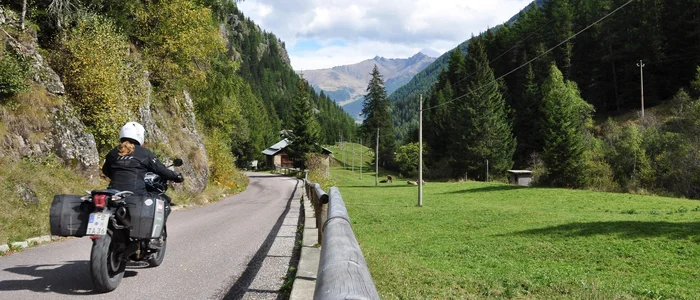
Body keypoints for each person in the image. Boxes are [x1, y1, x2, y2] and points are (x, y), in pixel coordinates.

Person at [102, 121, 184, 196]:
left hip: (112, 193)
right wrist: (176, 176)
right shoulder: (144, 153)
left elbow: (105, 170)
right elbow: (161, 170)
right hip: (136, 194)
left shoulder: (113, 152)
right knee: (158, 200)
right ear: (139, 134)